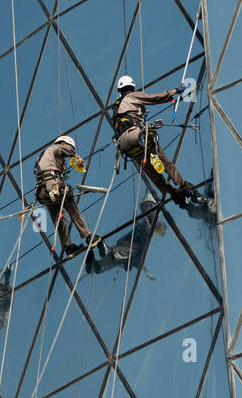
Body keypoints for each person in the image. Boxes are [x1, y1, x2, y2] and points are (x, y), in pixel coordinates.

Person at [112, 74, 204, 208]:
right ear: (131, 87)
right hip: (135, 135)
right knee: (162, 158)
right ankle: (184, 186)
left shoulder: (115, 108)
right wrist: (175, 91)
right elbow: (154, 98)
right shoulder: (132, 96)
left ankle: (172, 193)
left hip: (124, 146)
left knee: (149, 170)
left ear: (119, 90)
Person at [34, 135, 100, 259]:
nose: (70, 150)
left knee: (59, 218)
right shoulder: (55, 147)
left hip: (42, 193)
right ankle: (88, 236)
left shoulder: (44, 157)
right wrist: (76, 156)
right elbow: (64, 150)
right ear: (63, 143)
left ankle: (68, 247)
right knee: (71, 205)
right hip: (53, 186)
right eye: (70, 147)